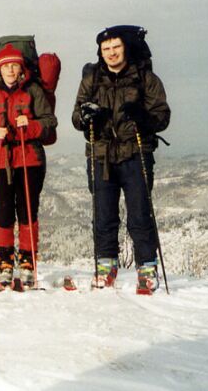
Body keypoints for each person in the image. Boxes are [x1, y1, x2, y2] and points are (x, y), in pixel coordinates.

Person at [72, 27, 170, 293]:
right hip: (101, 155)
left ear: (125, 48)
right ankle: (105, 267)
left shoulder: (145, 78)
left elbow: (162, 115)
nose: (111, 53)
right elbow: (76, 118)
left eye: (115, 47)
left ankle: (146, 269)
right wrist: (86, 117)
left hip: (135, 153)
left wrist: (143, 118)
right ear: (100, 52)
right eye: (106, 49)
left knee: (139, 213)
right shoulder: (91, 79)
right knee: (103, 215)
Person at [0, 44, 58, 287]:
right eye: (6, 65)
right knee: (3, 212)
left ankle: (28, 261)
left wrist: (29, 126)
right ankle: (5, 261)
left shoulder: (33, 91)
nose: (10, 70)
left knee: (28, 211)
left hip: (29, 159)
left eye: (14, 65)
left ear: (21, 68)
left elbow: (50, 122)